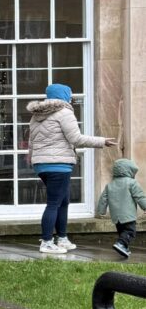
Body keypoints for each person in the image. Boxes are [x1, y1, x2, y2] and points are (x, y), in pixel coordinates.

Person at [26, 82, 116, 255]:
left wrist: (34, 161)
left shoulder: (36, 116)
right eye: (70, 94)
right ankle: (46, 242)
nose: (72, 97)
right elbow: (76, 139)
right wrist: (102, 141)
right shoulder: (64, 112)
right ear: (64, 96)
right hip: (59, 165)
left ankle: (62, 238)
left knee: (63, 201)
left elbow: (32, 143)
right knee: (54, 203)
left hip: (42, 165)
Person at [96, 159, 146, 258]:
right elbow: (139, 197)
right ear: (129, 171)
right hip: (128, 215)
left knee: (122, 232)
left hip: (116, 216)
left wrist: (101, 211)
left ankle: (124, 248)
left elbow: (103, 199)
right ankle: (120, 244)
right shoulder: (132, 183)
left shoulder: (110, 185)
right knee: (130, 232)